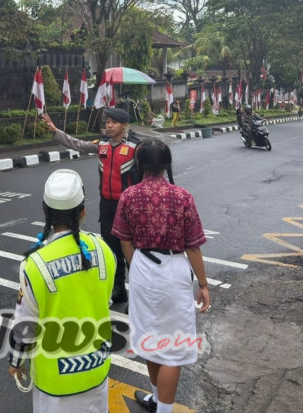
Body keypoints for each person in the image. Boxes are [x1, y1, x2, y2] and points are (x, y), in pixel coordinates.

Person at [111, 139, 210, 413]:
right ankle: (161, 408)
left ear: (139, 164)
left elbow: (125, 241)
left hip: (142, 265)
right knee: (173, 347)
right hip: (173, 268)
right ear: (167, 164)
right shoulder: (182, 197)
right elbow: (192, 245)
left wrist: (140, 267)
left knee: (150, 338)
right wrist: (203, 284)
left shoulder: (129, 196)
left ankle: (157, 400)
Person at [8, 169, 116, 413]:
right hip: (97, 369)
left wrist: (15, 362)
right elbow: (106, 299)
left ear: (45, 211)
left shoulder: (34, 265)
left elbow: (25, 326)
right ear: (83, 211)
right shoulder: (103, 250)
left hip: (56, 382)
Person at [41, 108, 141, 308]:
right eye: (107, 122)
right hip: (107, 205)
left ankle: (138, 295)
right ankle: (119, 289)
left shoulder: (136, 147)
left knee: (132, 251)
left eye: (114, 122)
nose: (109, 126)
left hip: (128, 206)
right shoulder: (102, 143)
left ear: (125, 125)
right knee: (112, 249)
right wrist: (56, 131)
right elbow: (79, 144)